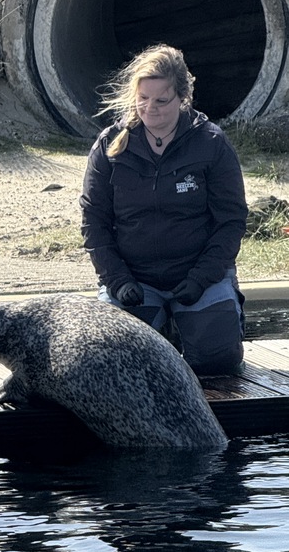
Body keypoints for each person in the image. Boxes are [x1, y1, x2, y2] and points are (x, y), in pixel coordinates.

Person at [80, 44, 248, 376]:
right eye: (143, 98)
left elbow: (231, 222)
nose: (150, 108)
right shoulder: (109, 144)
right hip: (135, 281)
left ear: (182, 97)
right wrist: (117, 280)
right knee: (117, 363)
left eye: (161, 100)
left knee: (217, 361)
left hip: (198, 276)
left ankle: (211, 314)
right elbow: (93, 219)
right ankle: (160, 323)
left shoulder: (212, 144)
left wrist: (201, 278)